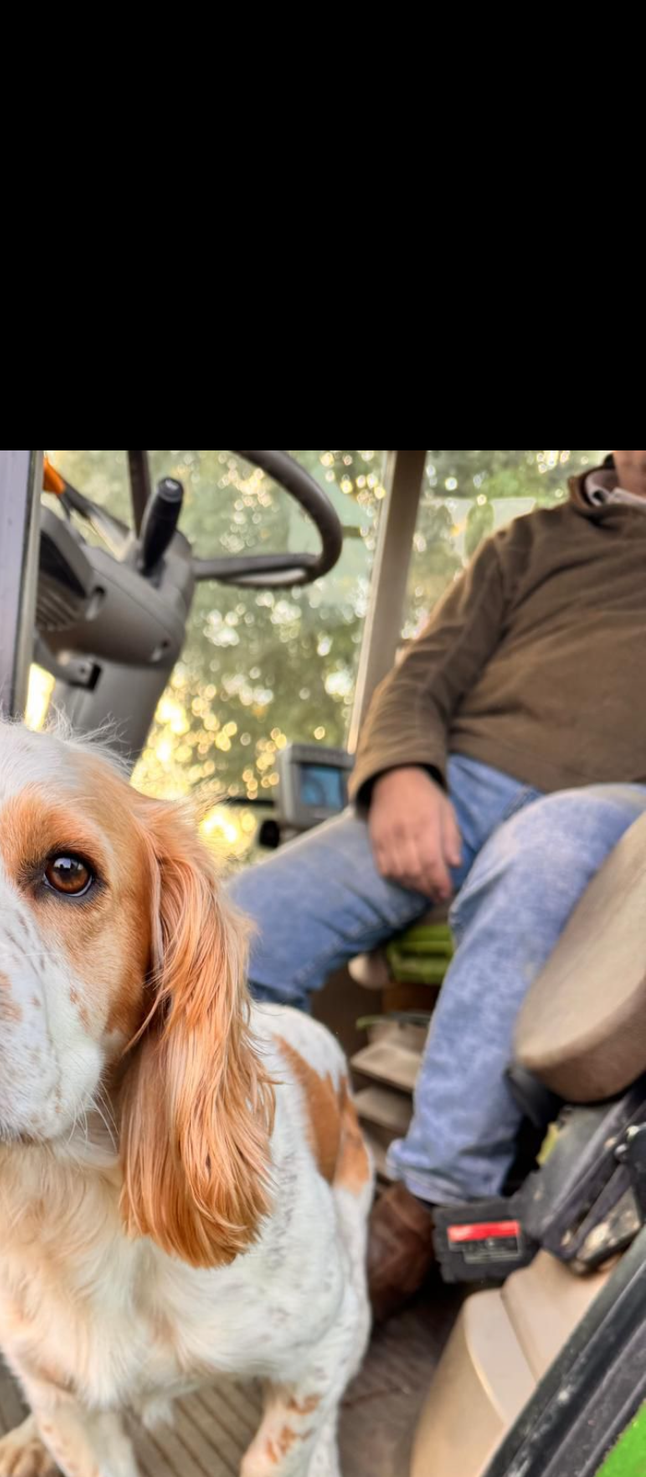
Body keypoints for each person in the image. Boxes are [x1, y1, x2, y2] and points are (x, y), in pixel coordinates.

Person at [230, 451, 646, 1318]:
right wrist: (403, 775)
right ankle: (293, 1194)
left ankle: (421, 1210)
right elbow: (418, 679)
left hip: (617, 808)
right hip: (460, 785)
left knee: (538, 854)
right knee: (226, 937)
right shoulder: (531, 543)